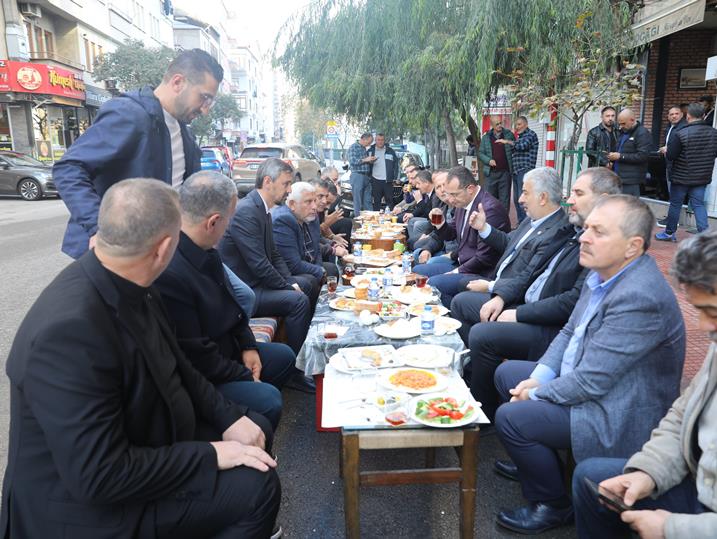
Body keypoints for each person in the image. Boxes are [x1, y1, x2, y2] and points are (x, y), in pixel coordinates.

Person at [0, 178, 280, 538]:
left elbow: (179, 365)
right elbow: (100, 476)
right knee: (257, 488)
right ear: (164, 248)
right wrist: (212, 455)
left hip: (142, 435)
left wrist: (229, 417)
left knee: (255, 426)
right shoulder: (69, 332)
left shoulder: (131, 278)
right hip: (81, 509)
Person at [492, 195, 685, 535]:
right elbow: (569, 332)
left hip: (617, 410)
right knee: (509, 374)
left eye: (599, 231)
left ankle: (552, 504)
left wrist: (536, 394)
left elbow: (592, 382)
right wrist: (538, 378)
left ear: (632, 246)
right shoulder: (604, 273)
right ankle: (540, 466)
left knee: (512, 417)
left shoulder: (639, 296)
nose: (583, 237)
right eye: (587, 229)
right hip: (593, 384)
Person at [572, 231, 717, 539]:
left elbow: (591, 378)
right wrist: (648, 472)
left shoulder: (640, 293)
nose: (703, 325)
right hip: (702, 480)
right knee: (593, 478)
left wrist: (672, 528)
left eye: (712, 312)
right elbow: (682, 414)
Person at [457, 167, 621, 422]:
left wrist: (516, 310)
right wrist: (501, 296)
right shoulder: (571, 231)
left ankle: (481, 412)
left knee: (482, 333)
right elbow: (531, 271)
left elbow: (571, 306)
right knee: (464, 304)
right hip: (528, 304)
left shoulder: (590, 241)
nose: (569, 200)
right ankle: (474, 382)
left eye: (578, 194)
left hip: (546, 322)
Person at [155, 172, 296, 430]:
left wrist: (248, 346)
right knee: (268, 399)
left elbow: (234, 308)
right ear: (213, 222)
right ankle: (248, 425)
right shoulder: (172, 273)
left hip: (227, 350)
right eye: (229, 220)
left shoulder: (206, 251)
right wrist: (245, 376)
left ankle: (253, 417)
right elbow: (196, 355)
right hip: (203, 376)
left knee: (284, 357)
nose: (229, 227)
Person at [54, 49, 223, 259]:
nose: (205, 110)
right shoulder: (129, 114)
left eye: (210, 102)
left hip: (156, 253)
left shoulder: (184, 133)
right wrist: (99, 228)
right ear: (178, 82)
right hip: (116, 255)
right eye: (204, 98)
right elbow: (69, 169)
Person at [218, 158, 316, 387]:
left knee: (307, 283)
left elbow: (274, 254)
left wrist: (290, 282)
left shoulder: (263, 209)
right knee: (298, 301)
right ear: (268, 182)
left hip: (257, 283)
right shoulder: (247, 211)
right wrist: (288, 287)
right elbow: (260, 264)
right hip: (246, 291)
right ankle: (295, 373)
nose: (289, 189)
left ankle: (305, 349)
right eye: (286, 183)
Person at [449, 167, 571, 348]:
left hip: (515, 297)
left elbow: (528, 276)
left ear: (543, 198)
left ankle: (471, 353)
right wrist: (483, 228)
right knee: (461, 287)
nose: (520, 199)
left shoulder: (556, 231)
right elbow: (508, 243)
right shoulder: (532, 219)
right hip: (502, 283)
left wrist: (493, 288)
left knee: (460, 302)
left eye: (525, 193)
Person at [413, 166, 510, 307]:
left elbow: (484, 258)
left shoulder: (489, 209)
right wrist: (440, 223)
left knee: (434, 284)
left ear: (470, 189)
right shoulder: (464, 202)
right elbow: (452, 233)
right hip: (463, 263)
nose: (450, 199)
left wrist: (455, 271)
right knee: (418, 271)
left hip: (481, 273)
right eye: (449, 194)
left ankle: (449, 314)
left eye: (454, 194)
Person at [656, 103, 717, 242]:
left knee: (675, 204)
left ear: (688, 116)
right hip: (701, 177)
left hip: (681, 177)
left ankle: (669, 233)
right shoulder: (714, 133)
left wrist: (666, 150)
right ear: (703, 116)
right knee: (698, 205)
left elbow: (671, 156)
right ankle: (705, 237)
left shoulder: (681, 133)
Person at [273, 182, 343, 281]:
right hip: (289, 272)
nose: (314, 206)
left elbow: (316, 248)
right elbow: (293, 265)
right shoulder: (283, 220)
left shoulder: (311, 216)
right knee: (312, 279)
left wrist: (319, 267)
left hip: (307, 262)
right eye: (309, 202)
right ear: (292, 204)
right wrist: (320, 271)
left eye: (314, 201)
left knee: (332, 269)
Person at [498, 115, 539, 223]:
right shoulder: (519, 137)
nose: (517, 127)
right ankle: (521, 224)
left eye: (519, 124)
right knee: (517, 200)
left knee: (523, 199)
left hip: (525, 171)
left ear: (526, 124)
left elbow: (522, 146)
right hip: (517, 171)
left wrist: (507, 142)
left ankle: (526, 224)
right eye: (516, 125)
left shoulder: (531, 134)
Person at [607, 108, 652, 197]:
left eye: (623, 123)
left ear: (632, 120)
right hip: (619, 177)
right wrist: (612, 160)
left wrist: (620, 156)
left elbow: (643, 156)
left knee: (628, 204)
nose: (621, 126)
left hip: (631, 180)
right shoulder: (623, 132)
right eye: (620, 124)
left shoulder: (642, 133)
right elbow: (620, 150)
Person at [656, 105, 689, 226]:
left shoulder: (684, 128)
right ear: (668, 117)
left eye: (676, 113)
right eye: (671, 114)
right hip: (669, 163)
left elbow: (684, 146)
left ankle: (673, 221)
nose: (674, 116)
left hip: (678, 166)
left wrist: (668, 149)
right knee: (672, 193)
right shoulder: (670, 127)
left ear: (682, 115)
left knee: (675, 194)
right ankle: (672, 219)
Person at [478, 116, 516, 215]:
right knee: (490, 199)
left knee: (505, 200)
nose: (499, 125)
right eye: (497, 124)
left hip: (505, 173)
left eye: (500, 123)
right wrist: (488, 160)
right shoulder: (486, 137)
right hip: (491, 174)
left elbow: (515, 148)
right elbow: (480, 153)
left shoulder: (508, 135)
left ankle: (504, 221)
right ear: (492, 125)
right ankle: (491, 220)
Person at [399, 169, 437, 245]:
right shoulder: (429, 193)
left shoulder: (436, 195)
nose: (416, 186)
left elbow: (434, 218)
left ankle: (418, 245)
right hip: (431, 222)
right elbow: (409, 201)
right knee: (410, 221)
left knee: (417, 224)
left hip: (433, 225)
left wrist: (426, 234)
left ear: (426, 183)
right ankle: (416, 244)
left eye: (418, 183)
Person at [367, 133, 399, 210]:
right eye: (378, 140)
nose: (380, 142)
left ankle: (390, 216)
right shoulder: (370, 151)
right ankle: (376, 217)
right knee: (376, 202)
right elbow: (366, 165)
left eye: (382, 140)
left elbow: (396, 165)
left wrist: (396, 178)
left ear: (384, 141)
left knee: (390, 201)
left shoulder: (390, 151)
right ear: (375, 140)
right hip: (375, 180)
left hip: (387, 181)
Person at [347, 133, 376, 215]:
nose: (369, 144)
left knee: (368, 201)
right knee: (358, 201)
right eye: (369, 142)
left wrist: (370, 161)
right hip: (357, 176)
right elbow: (352, 161)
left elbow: (363, 161)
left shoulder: (363, 148)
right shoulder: (353, 147)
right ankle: (358, 220)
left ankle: (370, 219)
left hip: (366, 176)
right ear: (364, 139)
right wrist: (366, 159)